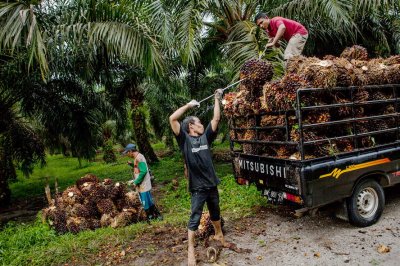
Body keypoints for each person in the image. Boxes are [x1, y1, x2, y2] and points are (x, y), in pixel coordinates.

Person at [169, 89, 225, 266]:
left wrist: (217, 98)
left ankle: (219, 235)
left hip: (211, 184)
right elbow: (172, 119)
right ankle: (191, 251)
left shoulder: (205, 138)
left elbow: (215, 119)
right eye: (198, 123)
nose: (202, 124)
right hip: (198, 187)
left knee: (215, 213)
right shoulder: (184, 140)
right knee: (195, 218)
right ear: (191, 126)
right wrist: (188, 105)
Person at [123, 143, 162, 221]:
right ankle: (156, 216)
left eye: (127, 152)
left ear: (130, 151)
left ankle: (150, 217)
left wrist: (136, 181)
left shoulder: (138, 158)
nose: (127, 154)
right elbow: (140, 168)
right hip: (143, 184)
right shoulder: (138, 157)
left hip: (143, 185)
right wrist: (132, 165)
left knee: (145, 202)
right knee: (149, 200)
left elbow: (143, 171)